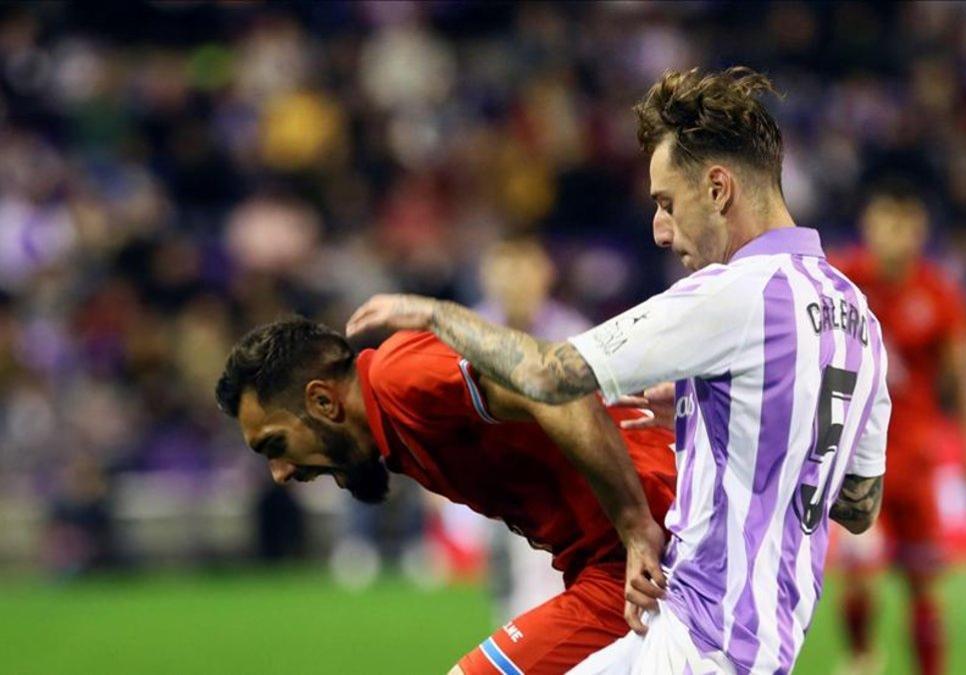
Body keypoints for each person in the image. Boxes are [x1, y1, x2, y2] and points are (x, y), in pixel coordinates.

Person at [346, 67, 891, 674]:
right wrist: (707, 413)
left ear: (717, 189)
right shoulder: (858, 317)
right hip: (732, 633)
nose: (660, 231)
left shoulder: (738, 294)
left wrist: (437, 312)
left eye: (666, 203)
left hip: (704, 648)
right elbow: (857, 504)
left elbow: (553, 375)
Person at [215, 317, 675, 674]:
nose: (280, 473)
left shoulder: (398, 377)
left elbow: (556, 389)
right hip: (628, 567)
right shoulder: (395, 430)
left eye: (275, 445)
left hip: (653, 553)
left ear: (322, 402)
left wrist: (636, 529)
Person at [832, 181, 966, 675]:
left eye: (905, 224)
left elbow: (963, 384)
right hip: (856, 453)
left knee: (921, 581)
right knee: (857, 571)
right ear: (867, 226)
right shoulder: (841, 278)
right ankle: (860, 659)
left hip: (914, 458)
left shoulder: (940, 293)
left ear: (920, 231)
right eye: (885, 222)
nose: (895, 235)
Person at [474, 235, 593, 622]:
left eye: (522, 273)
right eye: (505, 274)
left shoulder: (571, 331)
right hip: (487, 476)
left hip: (557, 479)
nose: (514, 284)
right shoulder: (469, 329)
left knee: (548, 592)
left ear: (545, 275)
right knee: (504, 594)